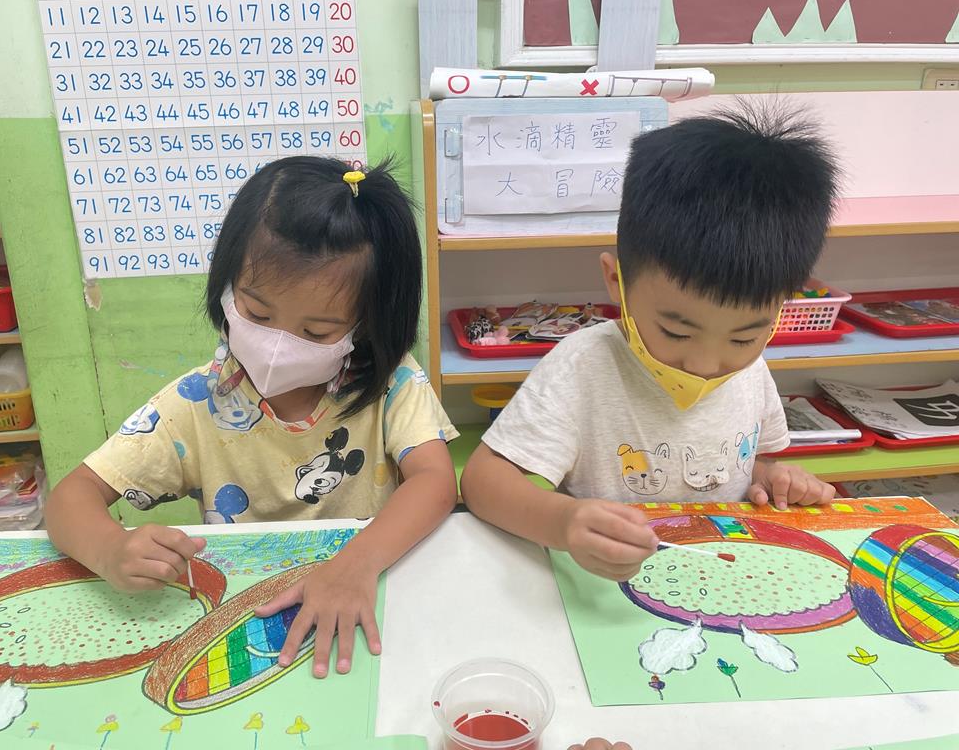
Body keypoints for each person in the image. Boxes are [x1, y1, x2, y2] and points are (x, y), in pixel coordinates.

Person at [46, 157, 459, 677]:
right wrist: (111, 550)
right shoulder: (197, 402)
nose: (277, 346)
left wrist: (354, 564)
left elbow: (436, 482)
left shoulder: (391, 384)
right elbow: (71, 497)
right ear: (226, 285)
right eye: (257, 314)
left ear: (367, 323)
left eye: (316, 332)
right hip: (244, 621)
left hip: (366, 601)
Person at [461, 106, 840, 582]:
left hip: (716, 576)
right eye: (677, 332)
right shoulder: (583, 366)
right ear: (616, 281)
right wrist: (563, 522)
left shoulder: (751, 369)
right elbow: (482, 481)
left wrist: (771, 479)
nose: (706, 363)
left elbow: (750, 464)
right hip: (606, 586)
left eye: (744, 336)